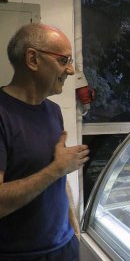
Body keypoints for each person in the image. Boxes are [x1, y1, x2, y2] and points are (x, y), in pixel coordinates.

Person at [0, 23, 89, 260]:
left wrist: (74, 231)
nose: (70, 70)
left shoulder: (53, 111)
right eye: (64, 60)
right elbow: (56, 170)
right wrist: (57, 169)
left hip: (64, 247)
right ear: (32, 59)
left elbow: (60, 178)